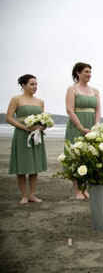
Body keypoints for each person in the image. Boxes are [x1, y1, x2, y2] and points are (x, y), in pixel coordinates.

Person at [6, 74, 47, 204]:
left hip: (36, 135)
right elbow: (9, 118)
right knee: (23, 165)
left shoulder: (40, 101)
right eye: (32, 84)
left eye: (36, 84)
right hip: (22, 134)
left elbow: (42, 118)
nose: (35, 87)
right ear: (23, 85)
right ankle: (24, 196)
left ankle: (32, 195)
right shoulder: (16, 99)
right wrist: (25, 128)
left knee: (34, 165)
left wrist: (43, 126)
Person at [65, 62, 100, 200]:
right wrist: (80, 127)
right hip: (77, 125)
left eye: (90, 72)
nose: (89, 74)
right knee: (76, 157)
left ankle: (85, 189)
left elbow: (98, 110)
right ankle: (78, 191)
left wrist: (96, 125)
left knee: (90, 158)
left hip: (92, 126)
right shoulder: (72, 89)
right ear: (78, 73)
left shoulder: (95, 91)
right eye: (86, 71)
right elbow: (69, 110)